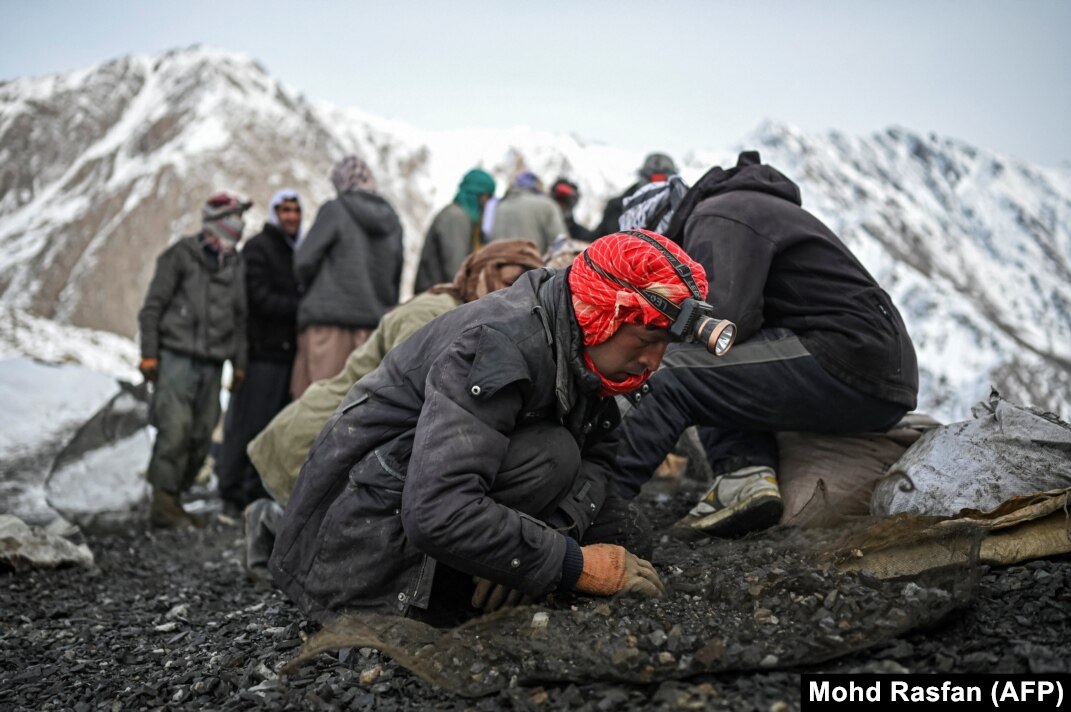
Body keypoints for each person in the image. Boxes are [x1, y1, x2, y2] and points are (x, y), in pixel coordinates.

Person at [269, 230, 708, 623]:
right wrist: (570, 564)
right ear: (601, 314)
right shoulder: (498, 342)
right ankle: (451, 591)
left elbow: (599, 459)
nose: (654, 362)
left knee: (624, 529)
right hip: (361, 540)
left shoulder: (585, 343)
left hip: (433, 498)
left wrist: (540, 544)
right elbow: (435, 511)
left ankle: (489, 571)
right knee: (554, 454)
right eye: (648, 341)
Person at [613, 151, 919, 537]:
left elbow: (725, 320)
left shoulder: (717, 215)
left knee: (671, 370)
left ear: (660, 235)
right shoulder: (732, 207)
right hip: (867, 365)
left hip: (846, 354)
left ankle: (600, 505)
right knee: (706, 371)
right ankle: (744, 476)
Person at [241, 240, 545, 582]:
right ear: (482, 271)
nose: (512, 296)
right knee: (332, 532)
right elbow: (412, 392)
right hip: (325, 429)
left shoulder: (464, 312)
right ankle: (268, 519)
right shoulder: (433, 311)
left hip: (348, 428)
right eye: (507, 282)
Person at [137, 192, 250, 528]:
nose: (239, 225)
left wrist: (239, 362)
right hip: (176, 358)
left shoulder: (236, 264)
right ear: (216, 220)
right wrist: (149, 354)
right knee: (175, 428)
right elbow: (152, 308)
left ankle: (176, 496)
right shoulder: (180, 256)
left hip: (213, 364)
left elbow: (240, 318)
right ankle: (163, 502)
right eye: (233, 218)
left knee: (201, 433)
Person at [217, 189, 303, 519]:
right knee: (247, 425)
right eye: (285, 210)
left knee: (269, 427)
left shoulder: (292, 250)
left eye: (296, 210)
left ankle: (252, 495)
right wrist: (301, 307)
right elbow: (258, 298)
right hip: (261, 353)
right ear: (273, 213)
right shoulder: (259, 248)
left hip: (283, 355)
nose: (291, 216)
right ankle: (231, 494)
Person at [291, 155, 404, 398]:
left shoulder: (335, 209)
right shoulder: (392, 220)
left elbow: (303, 262)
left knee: (316, 404)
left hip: (327, 323)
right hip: (371, 329)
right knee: (355, 409)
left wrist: (316, 287)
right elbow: (395, 275)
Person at [414, 169, 496, 294]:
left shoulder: (459, 216)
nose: (487, 203)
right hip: (437, 298)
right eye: (487, 196)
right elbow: (456, 270)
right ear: (478, 195)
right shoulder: (456, 218)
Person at [594, 152, 677, 238]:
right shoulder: (616, 207)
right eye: (654, 181)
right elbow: (597, 240)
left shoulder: (684, 211)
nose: (656, 188)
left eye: (661, 181)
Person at [488, 170, 568, 253]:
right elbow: (561, 243)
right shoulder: (547, 205)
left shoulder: (498, 206)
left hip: (497, 263)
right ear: (536, 186)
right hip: (532, 262)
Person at [549, 178, 596, 242]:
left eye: (565, 203)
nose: (560, 207)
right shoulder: (539, 229)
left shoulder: (583, 235)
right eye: (558, 201)